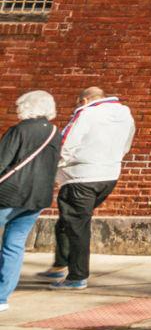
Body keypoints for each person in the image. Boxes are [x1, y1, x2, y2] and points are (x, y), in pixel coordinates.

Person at [38, 87, 135, 290]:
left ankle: (77, 277)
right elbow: (126, 145)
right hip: (108, 176)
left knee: (77, 227)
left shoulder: (86, 113)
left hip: (79, 177)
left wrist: (54, 167)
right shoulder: (126, 116)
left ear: (83, 100)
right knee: (68, 222)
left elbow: (65, 143)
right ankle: (60, 264)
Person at [0, 91, 61, 313]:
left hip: (8, 194)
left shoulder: (19, 130)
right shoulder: (55, 132)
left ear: (28, 106)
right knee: (14, 246)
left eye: (19, 105)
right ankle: (2, 297)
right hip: (36, 197)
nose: (17, 109)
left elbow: (2, 161)